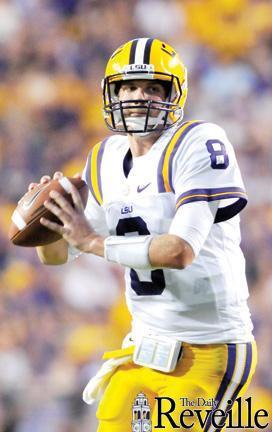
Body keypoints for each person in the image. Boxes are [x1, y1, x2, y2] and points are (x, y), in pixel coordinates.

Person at [31, 38, 257, 432]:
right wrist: (48, 221)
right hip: (141, 351)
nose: (139, 96)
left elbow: (179, 251)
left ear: (175, 94)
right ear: (112, 94)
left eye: (153, 87)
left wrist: (93, 242)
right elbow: (56, 257)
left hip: (209, 350)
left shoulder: (198, 142)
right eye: (128, 87)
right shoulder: (104, 158)